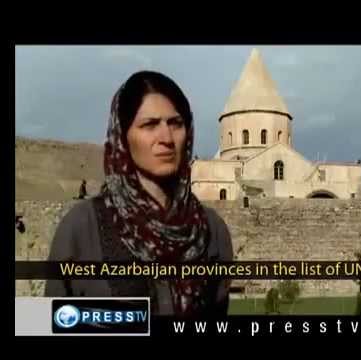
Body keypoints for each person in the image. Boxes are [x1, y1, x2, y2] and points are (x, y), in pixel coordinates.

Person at [45, 71, 233, 317]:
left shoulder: (211, 230)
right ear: (122, 136)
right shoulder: (82, 228)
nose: (166, 138)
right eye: (149, 125)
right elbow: (49, 323)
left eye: (175, 123)